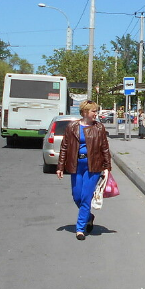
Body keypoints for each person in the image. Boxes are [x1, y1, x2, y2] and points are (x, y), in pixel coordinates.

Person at [57, 100, 113, 240]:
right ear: (85, 112)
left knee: (86, 197)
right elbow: (64, 147)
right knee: (77, 196)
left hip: (93, 166)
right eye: (93, 111)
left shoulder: (99, 128)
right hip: (76, 166)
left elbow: (104, 148)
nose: (96, 114)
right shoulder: (72, 127)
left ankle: (80, 229)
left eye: (96, 111)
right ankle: (89, 216)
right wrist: (60, 167)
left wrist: (107, 167)